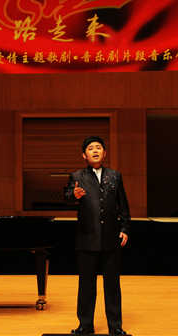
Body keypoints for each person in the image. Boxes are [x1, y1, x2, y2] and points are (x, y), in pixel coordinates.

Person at [64, 136, 131, 336]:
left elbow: (123, 205)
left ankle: (115, 326)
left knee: (112, 285)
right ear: (84, 155)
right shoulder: (77, 176)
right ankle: (85, 325)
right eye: (91, 148)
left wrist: (125, 228)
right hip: (87, 239)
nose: (95, 150)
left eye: (99, 147)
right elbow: (67, 196)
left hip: (111, 238)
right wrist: (73, 195)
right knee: (86, 285)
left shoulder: (115, 176)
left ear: (104, 153)